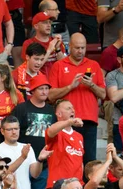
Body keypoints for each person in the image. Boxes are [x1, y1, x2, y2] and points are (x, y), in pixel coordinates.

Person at [48, 33, 106, 164]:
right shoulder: (59, 65)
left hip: (89, 120)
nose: (80, 51)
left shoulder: (94, 65)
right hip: (66, 121)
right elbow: (50, 96)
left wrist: (91, 84)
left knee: (89, 161)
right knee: (66, 159)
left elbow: (103, 94)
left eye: (83, 48)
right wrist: (70, 87)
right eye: (77, 48)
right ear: (69, 47)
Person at [11, 74, 56, 189]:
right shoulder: (22, 108)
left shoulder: (51, 110)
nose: (44, 92)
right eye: (41, 89)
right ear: (32, 91)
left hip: (43, 161)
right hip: (23, 159)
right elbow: (11, 128)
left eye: (46, 88)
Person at [44, 101, 85, 189]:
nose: (72, 110)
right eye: (68, 108)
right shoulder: (56, 132)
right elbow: (50, 131)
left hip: (76, 185)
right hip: (59, 185)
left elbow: (80, 162)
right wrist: (69, 122)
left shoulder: (79, 136)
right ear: (59, 114)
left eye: (73, 108)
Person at [21, 12, 65, 77]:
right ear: (36, 26)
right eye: (45, 22)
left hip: (56, 80)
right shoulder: (28, 43)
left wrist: (58, 49)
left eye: (50, 22)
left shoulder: (56, 41)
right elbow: (31, 68)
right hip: (38, 81)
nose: (48, 25)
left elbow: (64, 64)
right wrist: (49, 51)